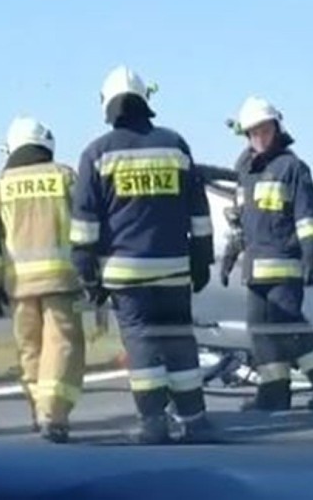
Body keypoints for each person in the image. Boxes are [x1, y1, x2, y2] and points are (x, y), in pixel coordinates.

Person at [70, 66, 216, 444]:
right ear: (144, 101)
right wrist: (202, 260)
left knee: (142, 345)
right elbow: (199, 212)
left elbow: (84, 226)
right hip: (174, 268)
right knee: (180, 341)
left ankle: (154, 424)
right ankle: (195, 420)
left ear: (108, 105)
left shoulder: (96, 153)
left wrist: (89, 277)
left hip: (125, 273)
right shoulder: (175, 144)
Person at [220, 96, 313, 412]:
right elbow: (240, 219)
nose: (260, 137)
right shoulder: (245, 170)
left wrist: (312, 256)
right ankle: (274, 392)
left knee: (287, 325)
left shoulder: (292, 168)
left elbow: (308, 218)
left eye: (265, 130)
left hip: (285, 264)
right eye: (253, 132)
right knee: (261, 333)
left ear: (276, 128)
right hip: (255, 267)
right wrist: (229, 256)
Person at [0, 116, 86, 443]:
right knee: (62, 346)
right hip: (61, 282)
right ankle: (52, 415)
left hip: (20, 286)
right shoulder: (65, 177)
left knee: (30, 350)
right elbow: (87, 222)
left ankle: (37, 410)